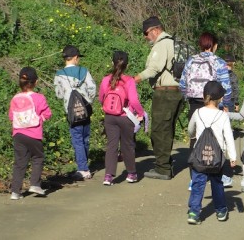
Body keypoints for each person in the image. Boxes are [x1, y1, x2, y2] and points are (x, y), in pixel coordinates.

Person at [179, 32, 233, 188]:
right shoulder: (219, 62)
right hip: (214, 103)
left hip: (195, 103)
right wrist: (225, 104)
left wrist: (187, 98)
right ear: (214, 45)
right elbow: (226, 87)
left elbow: (182, 84)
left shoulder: (191, 60)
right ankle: (218, 172)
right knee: (217, 137)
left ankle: (194, 178)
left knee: (195, 138)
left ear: (200, 45)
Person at [134, 16, 184, 180]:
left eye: (146, 33)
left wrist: (133, 80)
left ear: (155, 30)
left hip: (165, 93)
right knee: (168, 129)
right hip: (178, 92)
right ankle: (166, 164)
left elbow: (153, 69)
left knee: (159, 130)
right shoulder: (173, 42)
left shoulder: (161, 45)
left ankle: (162, 169)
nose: (145, 37)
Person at [187, 81, 236, 224]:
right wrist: (232, 156)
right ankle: (221, 211)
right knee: (217, 183)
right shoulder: (223, 116)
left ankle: (194, 212)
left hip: (200, 156)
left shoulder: (197, 112)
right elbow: (229, 137)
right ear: (220, 98)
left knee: (197, 183)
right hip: (216, 156)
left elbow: (191, 129)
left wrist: (192, 136)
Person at [99, 51, 145, 185]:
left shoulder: (106, 79)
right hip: (125, 116)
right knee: (127, 146)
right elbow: (134, 100)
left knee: (111, 145)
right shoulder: (129, 80)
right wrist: (141, 113)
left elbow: (101, 97)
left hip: (109, 117)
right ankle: (131, 173)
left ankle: (108, 176)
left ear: (112, 62)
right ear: (127, 64)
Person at [9, 67, 52, 200]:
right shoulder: (39, 98)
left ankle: (15, 191)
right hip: (34, 134)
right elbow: (48, 113)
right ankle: (35, 184)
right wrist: (42, 118)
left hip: (18, 134)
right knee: (38, 157)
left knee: (20, 162)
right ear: (36, 82)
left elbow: (11, 116)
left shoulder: (15, 98)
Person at [54, 45, 96, 180]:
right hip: (85, 109)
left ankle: (83, 169)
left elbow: (59, 94)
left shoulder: (59, 74)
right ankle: (85, 165)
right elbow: (92, 87)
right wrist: (88, 101)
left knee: (77, 139)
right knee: (85, 137)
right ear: (76, 58)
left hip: (71, 111)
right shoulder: (84, 71)